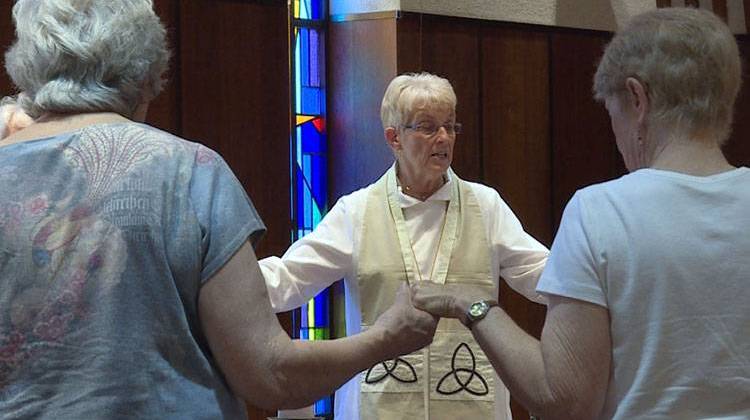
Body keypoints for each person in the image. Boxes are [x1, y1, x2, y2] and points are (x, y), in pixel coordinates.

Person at [0, 1, 438, 418]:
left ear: (26, 61)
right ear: (148, 70)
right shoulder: (190, 172)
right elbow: (271, 374)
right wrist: (384, 337)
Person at [411, 7, 750, 420]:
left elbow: (564, 400)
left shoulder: (600, 212)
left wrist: (472, 304)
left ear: (638, 99)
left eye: (614, 115)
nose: (618, 137)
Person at [260, 72, 549, 419]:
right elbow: (288, 278)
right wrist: (217, 280)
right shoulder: (357, 211)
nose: (443, 138)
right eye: (427, 127)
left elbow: (543, 275)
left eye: (450, 126)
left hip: (471, 399)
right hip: (379, 404)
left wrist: (604, 279)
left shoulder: (484, 206)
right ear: (394, 138)